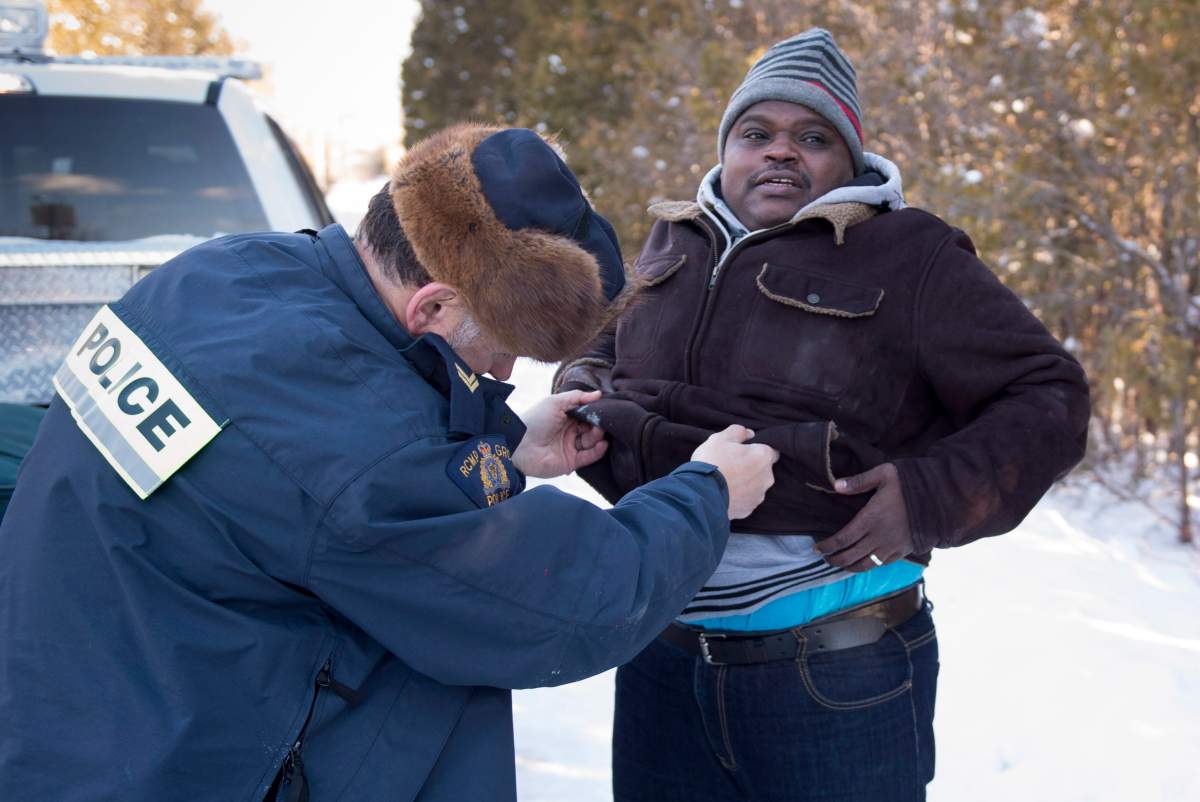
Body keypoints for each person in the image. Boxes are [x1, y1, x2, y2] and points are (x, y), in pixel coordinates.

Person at [0, 124, 780, 802]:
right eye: (502, 348)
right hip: (195, 771)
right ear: (433, 306)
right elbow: (566, 602)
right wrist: (706, 493)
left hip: (76, 720)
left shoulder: (221, 274)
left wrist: (501, 448)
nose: (505, 376)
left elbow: (288, 470)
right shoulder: (361, 457)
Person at [554, 29, 1091, 802]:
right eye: (757, 133)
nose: (780, 152)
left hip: (836, 670)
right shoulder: (676, 239)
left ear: (850, 163)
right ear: (726, 149)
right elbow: (610, 337)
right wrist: (584, 379)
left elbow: (1050, 395)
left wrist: (930, 496)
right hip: (661, 655)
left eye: (812, 137)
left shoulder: (911, 254)